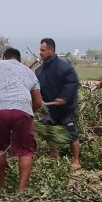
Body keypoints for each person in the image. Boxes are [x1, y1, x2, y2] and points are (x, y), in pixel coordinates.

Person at [0, 47, 43, 193]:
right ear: (18, 60)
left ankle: (2, 188)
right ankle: (21, 191)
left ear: (4, 57)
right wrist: (26, 112)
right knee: (26, 151)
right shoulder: (28, 72)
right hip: (23, 111)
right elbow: (38, 102)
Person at [35, 37, 82, 170]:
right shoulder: (39, 71)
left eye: (43, 50)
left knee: (72, 134)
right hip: (52, 109)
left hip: (66, 108)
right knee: (46, 128)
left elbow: (73, 83)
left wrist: (64, 98)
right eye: (40, 50)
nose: (40, 52)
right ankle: (55, 155)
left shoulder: (64, 66)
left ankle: (76, 161)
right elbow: (38, 89)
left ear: (51, 50)